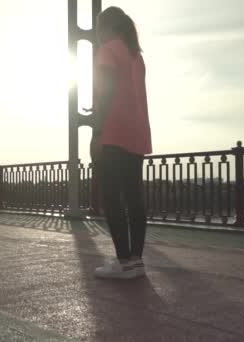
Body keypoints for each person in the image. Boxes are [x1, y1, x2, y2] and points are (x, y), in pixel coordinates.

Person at [91, 7, 152, 279]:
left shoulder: (107, 51)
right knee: (134, 198)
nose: (97, 33)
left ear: (106, 27)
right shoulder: (135, 55)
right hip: (137, 131)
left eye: (98, 28)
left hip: (113, 132)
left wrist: (97, 131)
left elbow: (107, 91)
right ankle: (136, 261)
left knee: (113, 198)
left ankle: (123, 261)